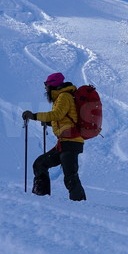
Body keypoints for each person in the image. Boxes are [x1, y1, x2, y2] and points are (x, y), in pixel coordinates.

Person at [22, 72, 87, 201]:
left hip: (70, 142)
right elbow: (62, 119)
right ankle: (42, 197)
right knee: (40, 163)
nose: (45, 88)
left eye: (46, 84)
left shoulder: (64, 96)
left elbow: (56, 115)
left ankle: (80, 204)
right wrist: (48, 122)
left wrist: (34, 116)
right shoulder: (60, 97)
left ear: (52, 85)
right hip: (64, 142)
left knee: (70, 177)